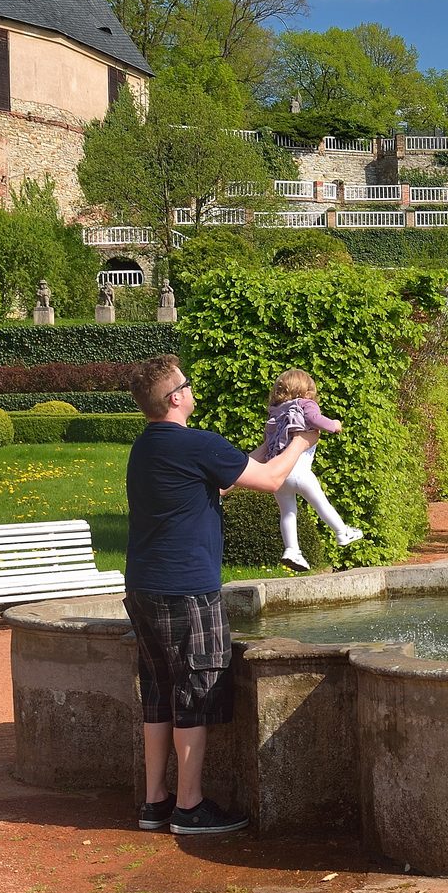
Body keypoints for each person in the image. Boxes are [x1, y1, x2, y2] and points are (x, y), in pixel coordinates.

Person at [124, 355, 312, 836]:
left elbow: (224, 478)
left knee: (159, 691)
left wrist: (269, 445)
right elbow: (271, 480)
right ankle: (190, 808)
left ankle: (155, 803)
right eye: (185, 384)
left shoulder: (146, 447)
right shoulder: (197, 443)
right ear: (175, 399)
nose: (191, 389)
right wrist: (301, 440)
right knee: (195, 690)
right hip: (187, 589)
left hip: (143, 586)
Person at [254, 369, 365, 573]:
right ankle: (342, 532)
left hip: (279, 471)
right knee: (321, 504)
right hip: (300, 470)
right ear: (307, 391)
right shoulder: (305, 404)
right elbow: (316, 419)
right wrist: (334, 425)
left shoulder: (276, 411)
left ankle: (292, 549)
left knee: (288, 512)